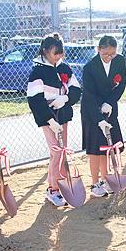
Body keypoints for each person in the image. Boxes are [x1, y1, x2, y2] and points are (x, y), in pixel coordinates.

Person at [27, 33, 82, 206]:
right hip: (48, 117)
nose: (58, 56)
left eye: (60, 52)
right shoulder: (38, 71)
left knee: (61, 151)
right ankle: (53, 189)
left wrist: (65, 99)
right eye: (55, 53)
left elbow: (76, 90)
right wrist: (49, 120)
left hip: (63, 114)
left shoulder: (64, 68)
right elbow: (34, 99)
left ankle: (62, 185)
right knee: (56, 151)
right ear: (45, 51)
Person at [81, 35, 126, 197]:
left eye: (112, 54)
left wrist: (110, 102)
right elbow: (89, 96)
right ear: (98, 50)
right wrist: (99, 119)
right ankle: (95, 184)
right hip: (91, 111)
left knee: (109, 147)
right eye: (105, 54)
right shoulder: (89, 68)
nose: (109, 57)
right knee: (95, 149)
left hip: (110, 108)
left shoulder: (119, 61)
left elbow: (121, 84)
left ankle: (106, 179)